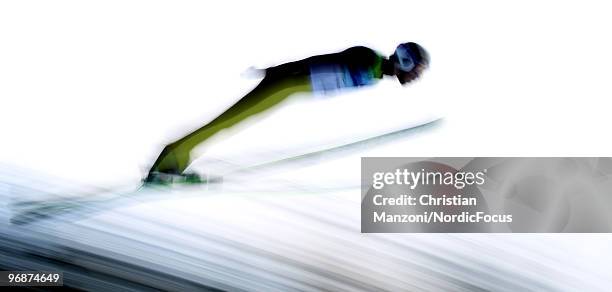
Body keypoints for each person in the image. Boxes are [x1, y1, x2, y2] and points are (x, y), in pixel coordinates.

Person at [146, 42, 430, 183]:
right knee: (227, 122)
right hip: (285, 85)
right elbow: (321, 60)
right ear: (405, 61)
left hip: (290, 90)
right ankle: (168, 161)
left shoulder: (375, 73)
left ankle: (173, 163)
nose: (416, 77)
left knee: (229, 124)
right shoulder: (370, 60)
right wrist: (275, 70)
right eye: (416, 70)